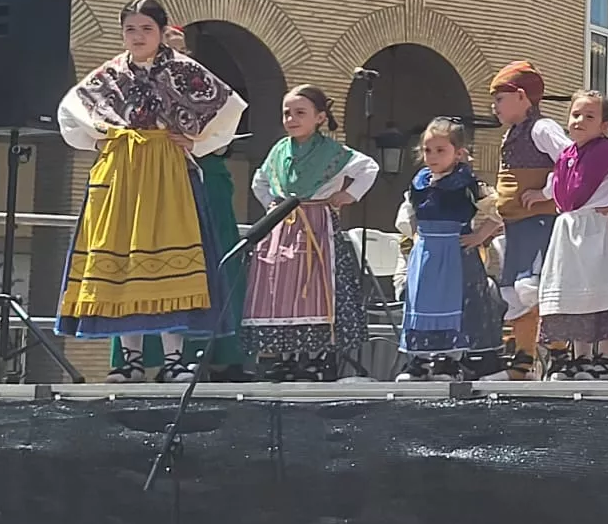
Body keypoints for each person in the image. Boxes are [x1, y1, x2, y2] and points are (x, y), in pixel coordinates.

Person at [56, 0, 248, 383]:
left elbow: (230, 108)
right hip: (122, 172)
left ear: (162, 32)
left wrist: (197, 143)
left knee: (169, 258)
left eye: (146, 29)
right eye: (131, 29)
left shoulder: (183, 70)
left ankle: (175, 360)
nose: (138, 36)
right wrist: (98, 143)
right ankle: (129, 360)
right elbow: (70, 110)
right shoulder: (109, 75)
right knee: (125, 260)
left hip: (168, 171)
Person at [108, 24, 255, 381]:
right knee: (145, 262)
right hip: (149, 177)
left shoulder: (197, 84)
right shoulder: (128, 80)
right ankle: (140, 359)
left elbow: (222, 130)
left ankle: (218, 355)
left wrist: (194, 140)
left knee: (213, 262)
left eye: (178, 48)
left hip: (203, 180)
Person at [240, 85, 380, 381]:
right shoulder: (279, 150)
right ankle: (283, 357)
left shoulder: (332, 151)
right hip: (282, 228)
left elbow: (368, 167)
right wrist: (273, 208)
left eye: (300, 113)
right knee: (280, 291)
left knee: (316, 287)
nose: (291, 118)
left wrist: (349, 195)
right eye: (287, 113)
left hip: (317, 226)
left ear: (319, 117)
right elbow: (259, 180)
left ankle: (316, 357)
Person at [537, 90, 608, 380]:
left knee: (603, 294)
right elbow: (556, 184)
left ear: (604, 126)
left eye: (589, 116)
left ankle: (604, 360)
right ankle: (580, 358)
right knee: (575, 295)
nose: (579, 120)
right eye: (576, 114)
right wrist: (540, 194)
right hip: (569, 232)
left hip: (598, 229)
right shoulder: (567, 155)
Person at [396, 117, 506, 380]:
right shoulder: (420, 181)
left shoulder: (466, 183)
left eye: (440, 150)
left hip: (455, 253)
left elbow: (498, 209)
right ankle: (420, 360)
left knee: (454, 304)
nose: (432, 156)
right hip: (427, 253)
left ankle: (448, 361)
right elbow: (409, 212)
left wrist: (479, 235)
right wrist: (415, 236)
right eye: (427, 150)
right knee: (423, 302)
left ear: (458, 153)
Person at [487, 61, 570, 380]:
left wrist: (547, 192)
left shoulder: (541, 128)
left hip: (538, 225)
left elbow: (568, 159)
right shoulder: (512, 134)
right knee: (513, 291)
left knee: (534, 288)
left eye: (499, 98)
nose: (494, 106)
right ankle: (523, 360)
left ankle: (560, 354)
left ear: (522, 97)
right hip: (515, 227)